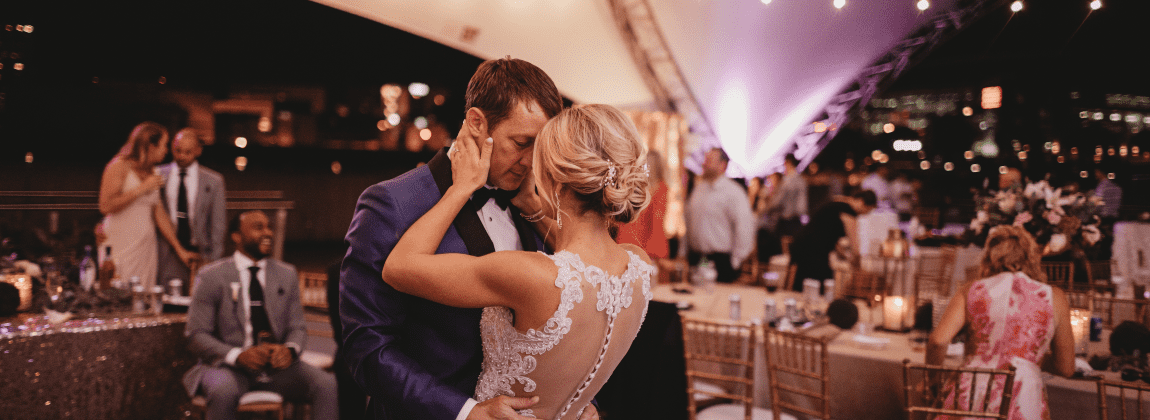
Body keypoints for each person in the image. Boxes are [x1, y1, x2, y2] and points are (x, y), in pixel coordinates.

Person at [340, 58, 601, 420]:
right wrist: (465, 412)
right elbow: (366, 348)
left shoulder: (535, 204)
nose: (531, 162)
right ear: (477, 122)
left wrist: (571, 398)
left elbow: (567, 312)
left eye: (541, 146)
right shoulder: (391, 204)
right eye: (522, 142)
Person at [382, 103, 655, 420]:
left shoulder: (531, 275)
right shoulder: (639, 267)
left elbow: (398, 267)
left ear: (552, 179)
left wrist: (461, 188)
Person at [183, 211, 337, 420]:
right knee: (222, 391)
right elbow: (196, 335)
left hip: (276, 369)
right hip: (228, 367)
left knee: (326, 385)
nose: (267, 233)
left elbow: (297, 327)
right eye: (258, 227)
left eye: (268, 227)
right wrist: (238, 355)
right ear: (236, 236)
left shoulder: (286, 273)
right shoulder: (211, 276)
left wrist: (290, 350)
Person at [928, 225, 1074, 420]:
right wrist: (1026, 358)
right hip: (1023, 394)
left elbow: (938, 341)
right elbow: (1066, 367)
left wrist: (932, 382)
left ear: (989, 258)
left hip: (970, 392)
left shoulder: (971, 290)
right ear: (1031, 258)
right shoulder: (1054, 297)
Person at [98, 122, 198, 288]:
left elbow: (159, 214)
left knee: (143, 295)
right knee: (118, 291)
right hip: (120, 243)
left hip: (145, 247)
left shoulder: (154, 172)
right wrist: (142, 188)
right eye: (164, 145)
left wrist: (180, 250)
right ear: (151, 146)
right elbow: (106, 206)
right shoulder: (119, 166)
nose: (166, 150)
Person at [157, 128, 227, 289]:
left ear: (198, 151)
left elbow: (218, 224)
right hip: (168, 253)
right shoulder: (159, 175)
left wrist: (213, 261)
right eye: (178, 151)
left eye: (187, 152)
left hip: (200, 252)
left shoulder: (213, 181)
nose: (181, 156)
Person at [682, 147, 755, 283]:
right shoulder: (698, 190)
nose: (704, 163)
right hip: (698, 259)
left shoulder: (733, 192)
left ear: (723, 165)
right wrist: (683, 253)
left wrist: (735, 261)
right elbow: (688, 222)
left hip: (720, 261)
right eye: (705, 160)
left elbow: (744, 228)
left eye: (709, 160)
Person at [789, 190, 877, 292]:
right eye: (868, 210)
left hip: (803, 245)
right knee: (822, 285)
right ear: (862, 202)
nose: (865, 214)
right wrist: (858, 268)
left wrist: (846, 257)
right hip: (812, 249)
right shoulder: (848, 211)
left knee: (804, 284)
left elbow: (829, 235)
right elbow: (855, 246)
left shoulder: (838, 204)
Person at [616, 149, 669, 260]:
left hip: (632, 242)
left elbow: (655, 221)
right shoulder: (658, 189)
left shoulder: (637, 186)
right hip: (642, 245)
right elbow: (656, 221)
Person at [766, 153, 808, 239]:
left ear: (787, 163)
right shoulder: (802, 180)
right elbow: (803, 204)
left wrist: (767, 209)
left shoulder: (786, 181)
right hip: (798, 221)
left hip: (786, 221)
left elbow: (778, 201)